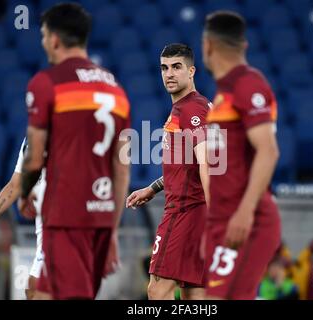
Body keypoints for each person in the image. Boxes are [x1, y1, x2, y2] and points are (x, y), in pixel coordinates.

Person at [18, 3, 130, 300]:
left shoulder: (47, 83)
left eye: (43, 35)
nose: (43, 43)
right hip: (102, 218)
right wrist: (113, 229)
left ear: (54, 38)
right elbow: (122, 168)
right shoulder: (116, 90)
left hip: (66, 215)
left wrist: (25, 192)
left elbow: (35, 154)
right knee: (43, 293)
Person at [201, 11, 281, 299]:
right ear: (243, 46)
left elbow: (268, 151)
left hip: (247, 220)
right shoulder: (224, 91)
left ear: (207, 45)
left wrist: (245, 212)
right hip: (222, 220)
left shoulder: (247, 84)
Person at [126, 44, 210, 300]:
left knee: (157, 289)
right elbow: (189, 165)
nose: (169, 74)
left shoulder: (191, 109)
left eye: (176, 67)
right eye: (164, 67)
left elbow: (208, 163)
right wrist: (154, 187)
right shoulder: (194, 106)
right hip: (197, 211)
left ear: (191, 71)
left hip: (185, 211)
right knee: (194, 294)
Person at [0, 138, 46, 300]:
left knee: (38, 290)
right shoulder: (30, 141)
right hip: (46, 229)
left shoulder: (68, 132)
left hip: (64, 226)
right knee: (33, 290)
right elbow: (15, 185)